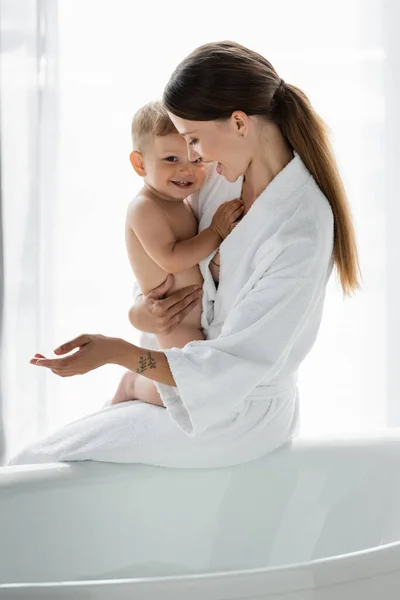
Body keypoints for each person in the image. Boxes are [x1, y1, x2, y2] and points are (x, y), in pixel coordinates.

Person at [9, 41, 361, 468]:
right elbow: (170, 266)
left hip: (232, 415)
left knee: (38, 465)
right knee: (32, 465)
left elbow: (230, 369)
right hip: (179, 377)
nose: (193, 158)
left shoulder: (299, 231)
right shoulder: (222, 180)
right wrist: (144, 312)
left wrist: (118, 353)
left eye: (194, 139)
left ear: (238, 123)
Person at [111, 100, 243, 407]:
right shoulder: (145, 208)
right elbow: (171, 259)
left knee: (200, 383)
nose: (186, 169)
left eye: (195, 160)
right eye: (171, 158)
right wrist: (215, 232)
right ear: (140, 164)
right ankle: (133, 382)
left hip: (194, 317)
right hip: (174, 321)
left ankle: (141, 380)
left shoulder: (180, 202)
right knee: (185, 390)